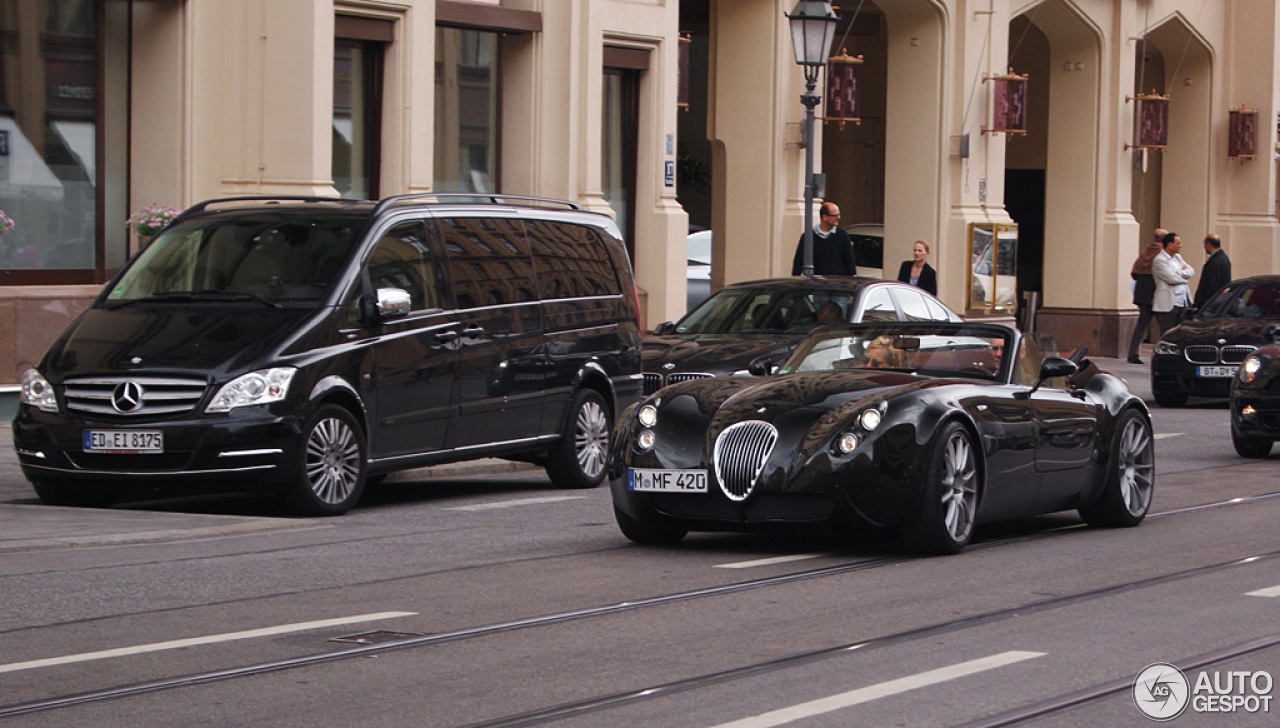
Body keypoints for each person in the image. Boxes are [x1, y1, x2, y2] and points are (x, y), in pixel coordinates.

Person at [1125, 228, 1165, 364]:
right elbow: (1158, 276)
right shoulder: (1161, 253)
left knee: (1141, 324)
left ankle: (1132, 353)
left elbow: (1134, 272)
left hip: (1141, 292)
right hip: (1153, 293)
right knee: (1164, 325)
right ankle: (1165, 354)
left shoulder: (1146, 250)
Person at [791, 202, 856, 276]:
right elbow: (798, 261)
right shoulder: (808, 236)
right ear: (824, 217)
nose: (839, 217)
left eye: (838, 215)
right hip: (816, 283)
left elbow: (849, 261)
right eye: (835, 215)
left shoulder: (842, 235)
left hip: (837, 283)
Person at [1152, 231, 1194, 335]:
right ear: (1170, 245)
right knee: (1168, 333)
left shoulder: (1178, 257)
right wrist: (1184, 278)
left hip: (1182, 301)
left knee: (1180, 333)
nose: (1181, 246)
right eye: (1178, 243)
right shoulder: (1159, 260)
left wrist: (1179, 272)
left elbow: (1191, 271)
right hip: (1168, 303)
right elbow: (1171, 278)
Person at [1193, 233, 1232, 310]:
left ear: (1209, 244)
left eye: (1205, 244)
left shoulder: (1213, 262)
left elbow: (1210, 286)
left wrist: (1200, 303)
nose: (1204, 247)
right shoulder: (1224, 258)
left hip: (1210, 304)